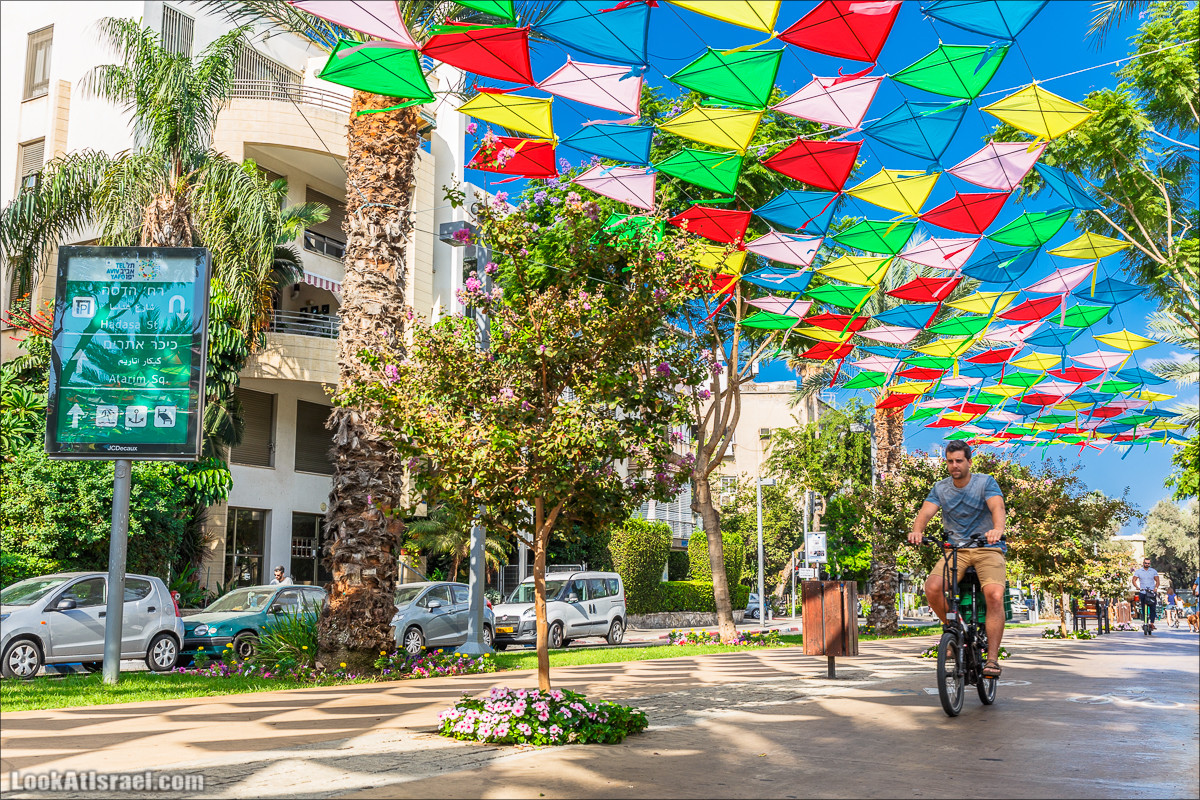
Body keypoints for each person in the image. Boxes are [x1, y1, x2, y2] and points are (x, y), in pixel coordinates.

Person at [908, 441, 1008, 678]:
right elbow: (925, 513)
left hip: (987, 546)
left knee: (994, 595)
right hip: (956, 550)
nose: (954, 465)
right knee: (932, 588)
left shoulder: (985, 482)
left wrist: (997, 530)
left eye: (959, 461)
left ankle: (992, 659)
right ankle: (955, 629)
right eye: (950, 461)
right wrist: (917, 531)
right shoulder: (941, 488)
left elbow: (998, 507)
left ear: (969, 462)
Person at [1132, 558, 1160, 628]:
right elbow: (1134, 580)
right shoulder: (1139, 571)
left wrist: (1155, 588)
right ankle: (1145, 622)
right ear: (1143, 563)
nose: (1147, 564)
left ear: (1150, 564)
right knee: (1144, 607)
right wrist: (1137, 587)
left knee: (1152, 608)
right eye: (1146, 563)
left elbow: (1157, 581)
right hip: (1143, 591)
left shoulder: (1153, 571)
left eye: (1148, 563)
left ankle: (1152, 623)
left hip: (1151, 592)